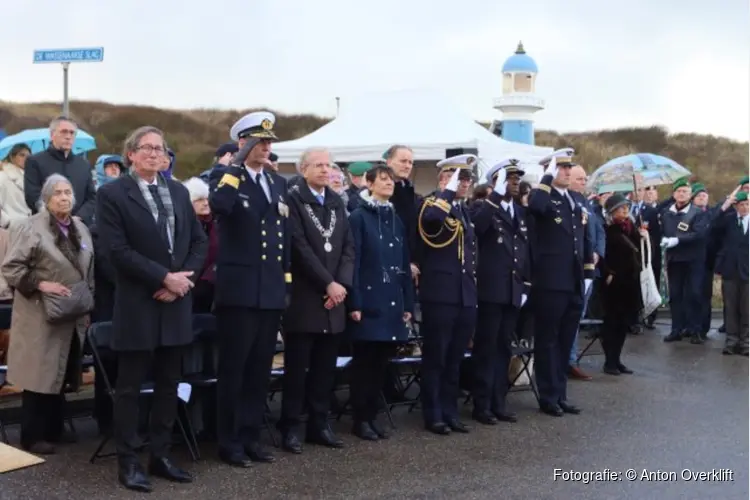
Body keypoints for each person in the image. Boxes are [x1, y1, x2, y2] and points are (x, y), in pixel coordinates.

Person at [96, 126, 208, 493]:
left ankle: (160, 455)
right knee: (129, 389)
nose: (155, 155)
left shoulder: (177, 191)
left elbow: (198, 241)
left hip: (176, 304)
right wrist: (163, 278)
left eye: (160, 149)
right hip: (139, 303)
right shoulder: (112, 193)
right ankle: (128, 463)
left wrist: (181, 281)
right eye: (147, 148)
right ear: (131, 154)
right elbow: (116, 250)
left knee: (168, 383)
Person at [208, 111, 290, 467]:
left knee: (260, 370)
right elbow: (220, 207)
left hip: (269, 290)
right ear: (243, 142)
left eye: (269, 142)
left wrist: (284, 282)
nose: (266, 147)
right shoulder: (225, 177)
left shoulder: (277, 183)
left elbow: (283, 238)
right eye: (259, 141)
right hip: (240, 290)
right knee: (234, 370)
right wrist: (236, 165)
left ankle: (251, 436)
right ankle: (229, 442)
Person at [1, 174, 94, 455]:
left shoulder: (79, 226)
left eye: (68, 192)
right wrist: (40, 284)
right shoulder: (31, 227)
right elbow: (11, 268)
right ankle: (32, 436)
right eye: (57, 193)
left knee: (62, 370)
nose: (64, 197)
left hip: (72, 312)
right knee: (38, 374)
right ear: (46, 198)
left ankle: (55, 429)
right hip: (40, 313)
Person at [279, 147, 354, 452]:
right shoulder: (294, 199)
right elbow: (298, 247)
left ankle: (319, 425)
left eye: (329, 165)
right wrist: (328, 283)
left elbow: (349, 247)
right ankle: (290, 428)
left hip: (335, 300)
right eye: (319, 165)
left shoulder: (336, 201)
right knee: (297, 371)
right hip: (306, 298)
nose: (326, 170)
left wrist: (342, 285)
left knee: (325, 370)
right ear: (303, 169)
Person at [347, 165, 414, 440]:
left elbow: (403, 263)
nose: (389, 184)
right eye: (383, 180)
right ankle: (360, 418)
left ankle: (373, 415)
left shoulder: (395, 219)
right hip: (368, 300)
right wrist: (355, 303)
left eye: (391, 180)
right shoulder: (359, 217)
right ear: (369, 184)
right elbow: (355, 263)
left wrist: (408, 303)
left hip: (391, 302)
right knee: (364, 363)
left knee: (381, 364)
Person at [527, 148, 594, 417]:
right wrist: (545, 179)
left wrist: (588, 273)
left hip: (573, 281)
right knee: (548, 341)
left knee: (565, 342)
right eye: (561, 167)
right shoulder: (543, 197)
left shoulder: (573, 201)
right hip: (551, 282)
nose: (566, 172)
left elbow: (582, 239)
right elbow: (536, 208)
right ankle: (548, 395)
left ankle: (561, 393)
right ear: (549, 169)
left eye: (568, 168)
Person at [416, 154, 477, 435]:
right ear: (444, 179)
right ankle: (433, 413)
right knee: (436, 356)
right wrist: (447, 192)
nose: (465, 184)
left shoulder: (463, 210)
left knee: (455, 357)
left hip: (463, 294)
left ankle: (450, 410)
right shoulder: (431, 205)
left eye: (467, 179)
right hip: (439, 294)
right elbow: (430, 222)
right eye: (459, 178)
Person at [469, 158, 530, 425]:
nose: (515, 183)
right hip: (490, 290)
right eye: (510, 178)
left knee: (504, 348)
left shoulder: (518, 211)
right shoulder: (484, 207)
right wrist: (493, 197)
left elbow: (524, 250)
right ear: (495, 181)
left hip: (512, 289)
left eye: (517, 179)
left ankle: (499, 401)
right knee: (486, 348)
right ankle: (482, 404)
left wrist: (525, 284)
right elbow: (477, 229)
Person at [660, 178, 710, 344]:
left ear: (690, 195)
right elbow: (662, 230)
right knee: (675, 295)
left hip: (693, 259)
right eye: (679, 191)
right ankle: (676, 329)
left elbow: (698, 234)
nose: (682, 194)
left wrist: (677, 240)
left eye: (685, 192)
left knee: (694, 294)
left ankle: (696, 330)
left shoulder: (698, 213)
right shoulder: (667, 212)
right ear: (674, 194)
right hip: (675, 259)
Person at [600, 194, 646, 375]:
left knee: (623, 323)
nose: (625, 211)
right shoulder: (607, 229)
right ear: (612, 212)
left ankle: (617, 359)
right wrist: (607, 272)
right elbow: (601, 252)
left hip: (629, 281)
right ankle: (609, 361)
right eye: (620, 209)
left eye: (626, 208)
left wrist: (641, 234)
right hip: (614, 281)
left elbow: (636, 249)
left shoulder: (630, 227)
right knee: (611, 321)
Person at [566, 164, 604, 380]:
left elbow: (598, 232)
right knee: (570, 316)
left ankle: (571, 359)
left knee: (577, 315)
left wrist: (598, 252)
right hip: (573, 268)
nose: (584, 182)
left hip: (589, 267)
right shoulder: (567, 201)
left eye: (585, 178)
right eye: (580, 178)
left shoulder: (585, 202)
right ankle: (568, 360)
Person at [24, 117, 97, 225]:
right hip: (46, 226)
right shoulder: (35, 161)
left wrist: (79, 217)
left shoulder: (83, 164)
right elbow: (32, 196)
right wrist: (55, 217)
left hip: (80, 226)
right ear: (52, 135)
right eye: (64, 132)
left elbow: (92, 197)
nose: (68, 136)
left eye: (72, 133)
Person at [715, 190, 749, 355]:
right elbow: (713, 225)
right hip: (730, 271)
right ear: (735, 206)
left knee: (746, 309)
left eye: (747, 204)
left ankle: (746, 343)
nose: (744, 207)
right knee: (731, 308)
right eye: (741, 204)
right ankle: (731, 341)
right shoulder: (728, 221)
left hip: (748, 272)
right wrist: (725, 205)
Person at [183, 177, 218, 314]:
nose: (205, 203)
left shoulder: (214, 225)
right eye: (199, 200)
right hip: (188, 284)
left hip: (211, 285)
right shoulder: (185, 226)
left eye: (206, 199)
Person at [0, 143, 33, 228]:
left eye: (29, 156)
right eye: (22, 155)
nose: (26, 158)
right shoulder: (2, 176)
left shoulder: (31, 177)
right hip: (13, 228)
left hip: (32, 226)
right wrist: (7, 222)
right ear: (12, 157)